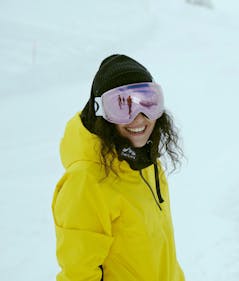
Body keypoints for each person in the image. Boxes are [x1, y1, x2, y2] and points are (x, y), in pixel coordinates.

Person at [52, 54, 185, 281]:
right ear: (101, 113)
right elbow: (78, 275)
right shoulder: (86, 181)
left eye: (147, 102)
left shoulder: (146, 163)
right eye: (123, 106)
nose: (139, 118)